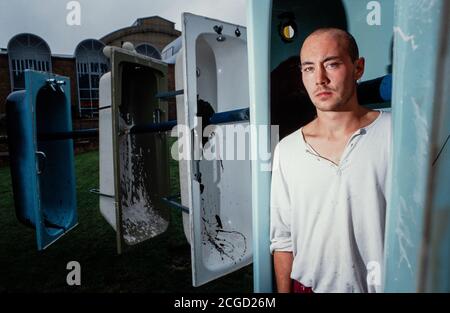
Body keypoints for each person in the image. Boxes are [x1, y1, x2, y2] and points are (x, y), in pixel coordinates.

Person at [270, 28, 391, 293]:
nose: (320, 79)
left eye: (332, 64)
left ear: (358, 68)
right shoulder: (287, 150)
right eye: (309, 68)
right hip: (309, 287)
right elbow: (282, 240)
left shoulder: (396, 134)